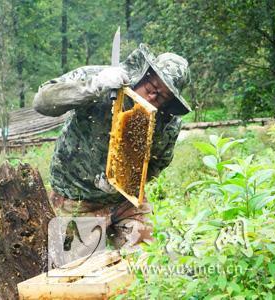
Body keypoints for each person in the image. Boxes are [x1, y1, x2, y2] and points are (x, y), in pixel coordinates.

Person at [33, 43, 191, 248]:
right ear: (145, 74)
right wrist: (94, 86)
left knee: (145, 261)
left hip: (126, 202)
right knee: (78, 273)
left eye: (161, 96)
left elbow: (157, 163)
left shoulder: (166, 122)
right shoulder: (102, 78)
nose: (152, 97)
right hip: (76, 198)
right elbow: (43, 101)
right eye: (152, 89)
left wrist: (126, 178)